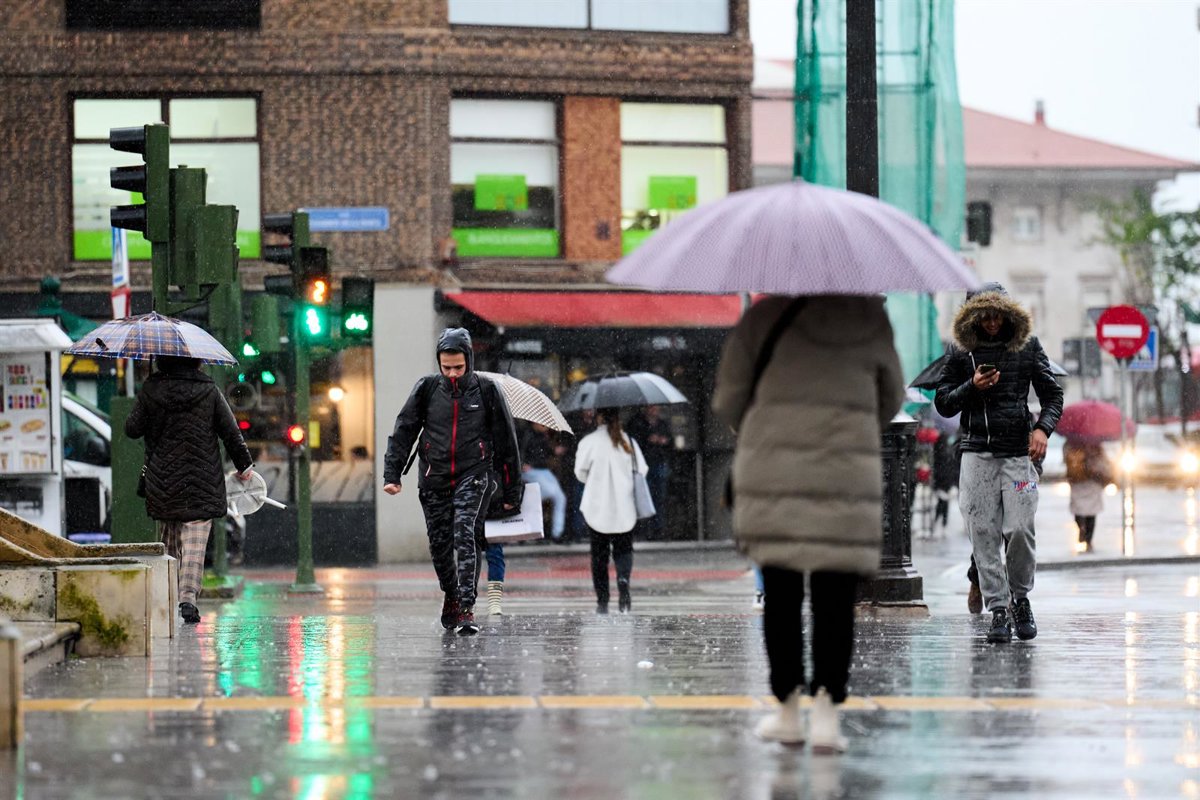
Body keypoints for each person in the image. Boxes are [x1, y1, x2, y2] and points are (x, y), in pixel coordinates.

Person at [713, 295, 903, 752]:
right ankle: (826, 715)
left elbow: (729, 399)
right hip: (844, 471)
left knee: (780, 594)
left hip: (773, 469)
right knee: (835, 597)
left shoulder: (762, 317)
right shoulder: (869, 318)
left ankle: (787, 711)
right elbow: (891, 397)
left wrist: (768, 421)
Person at [935, 283, 1063, 644]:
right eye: (984, 317)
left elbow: (1053, 395)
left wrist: (1042, 430)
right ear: (973, 317)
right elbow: (944, 402)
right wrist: (972, 386)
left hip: (1018, 455)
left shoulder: (1027, 346)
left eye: (997, 316)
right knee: (984, 533)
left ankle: (1020, 597)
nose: (991, 323)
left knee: (1021, 528)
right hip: (976, 453)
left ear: (1007, 315)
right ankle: (999, 610)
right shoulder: (962, 350)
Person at [383, 328, 523, 635]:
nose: (452, 374)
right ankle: (451, 593)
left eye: (458, 367)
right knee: (440, 545)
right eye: (446, 367)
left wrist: (513, 490)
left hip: (475, 474)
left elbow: (506, 442)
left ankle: (465, 606)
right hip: (434, 477)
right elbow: (404, 430)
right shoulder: (428, 388)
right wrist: (392, 474)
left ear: (469, 361)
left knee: (466, 534)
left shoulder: (487, 390)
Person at [125, 355, 254, 625]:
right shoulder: (209, 391)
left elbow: (131, 429)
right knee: (195, 543)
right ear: (197, 361)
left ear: (161, 360)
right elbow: (230, 432)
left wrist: (149, 399)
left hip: (163, 480)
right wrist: (244, 465)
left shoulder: (152, 389)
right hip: (202, 479)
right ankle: (188, 599)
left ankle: (168, 596)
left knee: (170, 541)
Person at [574, 408, 647, 614]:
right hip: (625, 507)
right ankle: (623, 582)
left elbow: (580, 473)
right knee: (624, 550)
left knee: (599, 556)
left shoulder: (588, 442)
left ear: (598, 418)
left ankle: (602, 598)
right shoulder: (628, 441)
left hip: (597, 507)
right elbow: (642, 470)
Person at [625, 405, 672, 538]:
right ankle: (643, 530)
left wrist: (664, 441)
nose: (653, 410)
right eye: (651, 408)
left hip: (659, 462)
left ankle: (658, 529)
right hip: (644, 464)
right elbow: (633, 441)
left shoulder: (662, 424)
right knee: (643, 497)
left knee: (659, 498)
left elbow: (670, 442)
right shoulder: (637, 423)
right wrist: (648, 439)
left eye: (655, 408)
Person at [520, 422, 567, 542]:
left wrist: (554, 451)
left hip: (542, 470)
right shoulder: (527, 435)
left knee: (560, 497)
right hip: (532, 471)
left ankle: (557, 533)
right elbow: (522, 452)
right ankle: (532, 530)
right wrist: (522, 464)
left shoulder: (542, 436)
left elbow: (544, 455)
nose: (545, 427)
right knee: (548, 494)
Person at [1064, 439, 1113, 553]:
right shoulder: (1097, 445)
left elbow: (1066, 458)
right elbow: (1103, 463)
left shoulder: (1071, 443)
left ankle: (1082, 528)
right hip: (1092, 480)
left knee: (1079, 510)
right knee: (1091, 513)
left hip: (1078, 480)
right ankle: (1088, 539)